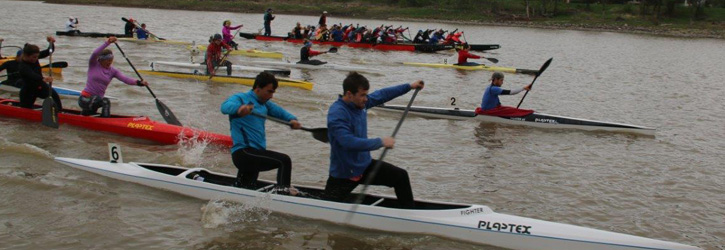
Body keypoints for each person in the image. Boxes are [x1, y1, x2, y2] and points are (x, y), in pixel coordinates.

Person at [324, 72, 424, 209]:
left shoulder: (361, 104)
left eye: (366, 94)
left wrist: (409, 86)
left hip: (364, 166)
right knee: (327, 208)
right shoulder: (337, 113)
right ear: (349, 94)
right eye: (362, 95)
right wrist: (380, 142)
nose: (366, 99)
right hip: (344, 173)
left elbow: (382, 94)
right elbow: (348, 142)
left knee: (400, 176)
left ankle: (409, 214)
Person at [220, 72, 302, 194]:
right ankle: (283, 193)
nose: (271, 96)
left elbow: (280, 112)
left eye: (273, 92)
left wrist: (292, 119)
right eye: (269, 91)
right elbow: (224, 107)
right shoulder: (241, 98)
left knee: (245, 190)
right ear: (258, 88)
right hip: (244, 153)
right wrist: (239, 109)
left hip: (255, 154)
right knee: (284, 161)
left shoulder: (265, 104)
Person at [78, 37, 148, 117]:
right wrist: (107, 42)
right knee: (105, 102)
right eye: (107, 60)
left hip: (96, 101)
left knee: (87, 115)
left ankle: (80, 118)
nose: (110, 62)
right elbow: (95, 53)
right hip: (85, 99)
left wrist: (139, 82)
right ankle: (105, 123)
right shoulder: (93, 64)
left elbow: (125, 79)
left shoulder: (113, 71)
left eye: (111, 60)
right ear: (101, 59)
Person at [17, 37, 62, 110]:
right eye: (34, 57)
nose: (36, 59)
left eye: (37, 57)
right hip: (28, 90)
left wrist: (51, 43)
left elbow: (49, 51)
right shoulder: (23, 66)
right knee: (25, 110)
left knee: (54, 95)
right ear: (26, 56)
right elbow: (31, 74)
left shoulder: (35, 57)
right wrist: (43, 78)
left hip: (40, 86)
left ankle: (59, 111)